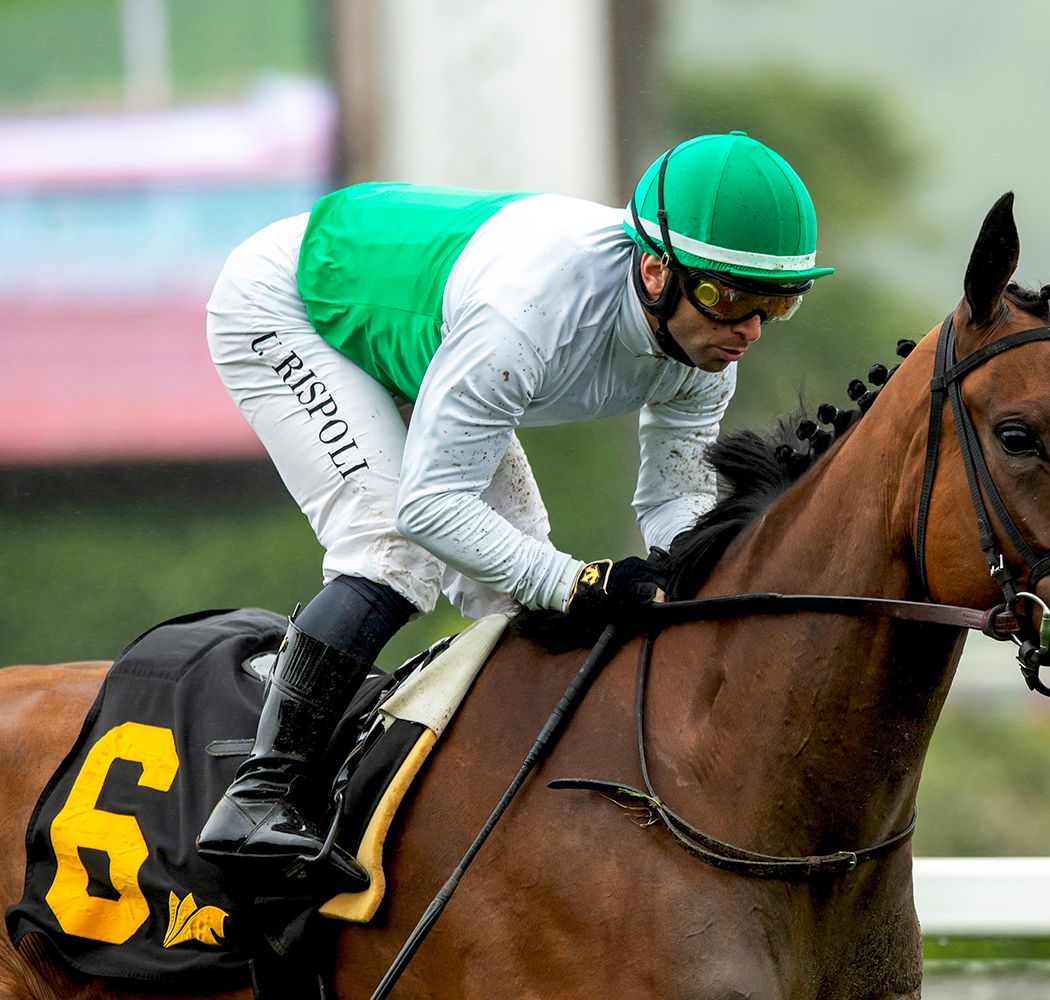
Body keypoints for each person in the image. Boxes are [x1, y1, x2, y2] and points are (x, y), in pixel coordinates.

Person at [195, 131, 834, 887]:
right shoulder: (531, 316)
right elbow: (430, 508)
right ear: (656, 271)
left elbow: (674, 504)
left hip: (430, 330)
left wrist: (709, 592)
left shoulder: (705, 353)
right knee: (392, 553)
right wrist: (584, 582)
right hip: (293, 304)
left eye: (777, 305)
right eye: (729, 298)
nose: (748, 331)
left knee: (513, 587)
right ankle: (258, 797)